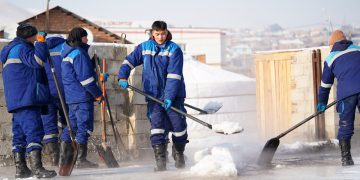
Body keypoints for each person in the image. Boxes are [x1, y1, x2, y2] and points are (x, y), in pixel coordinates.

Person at [118, 20, 188, 171]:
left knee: (178, 126)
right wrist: (122, 76)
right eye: (157, 34)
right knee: (157, 127)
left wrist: (168, 96)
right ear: (152, 33)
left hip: (174, 96)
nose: (161, 37)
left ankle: (179, 154)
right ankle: (160, 162)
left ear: (167, 32)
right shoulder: (144, 47)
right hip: (153, 95)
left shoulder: (174, 49)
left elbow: (174, 76)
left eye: (163, 33)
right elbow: (128, 61)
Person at [0, 24, 57, 178]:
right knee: (34, 131)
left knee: (19, 135)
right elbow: (37, 61)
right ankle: (37, 168)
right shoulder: (23, 48)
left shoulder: (11, 49)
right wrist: (41, 43)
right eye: (34, 37)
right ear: (30, 37)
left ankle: (21, 169)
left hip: (17, 100)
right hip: (27, 98)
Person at [59, 27, 107, 168]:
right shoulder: (79, 53)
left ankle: (65, 159)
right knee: (84, 126)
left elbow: (76, 73)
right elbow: (85, 79)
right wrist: (98, 94)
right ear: (80, 38)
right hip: (82, 96)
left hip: (72, 96)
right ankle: (80, 159)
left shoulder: (68, 53)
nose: (87, 39)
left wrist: (92, 65)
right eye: (85, 37)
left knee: (71, 127)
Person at [317, 30, 360, 166]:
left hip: (346, 94)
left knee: (345, 125)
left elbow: (325, 85)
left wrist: (322, 103)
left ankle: (346, 159)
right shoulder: (358, 49)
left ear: (332, 45)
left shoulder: (331, 58)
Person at [41, 34, 67, 166]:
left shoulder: (41, 47)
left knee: (49, 126)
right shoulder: (66, 46)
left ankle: (54, 159)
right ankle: (65, 156)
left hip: (46, 92)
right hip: (65, 91)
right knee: (67, 122)